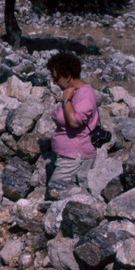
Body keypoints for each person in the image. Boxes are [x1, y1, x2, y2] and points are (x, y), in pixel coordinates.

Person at [46, 52, 99, 196]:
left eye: (56, 78)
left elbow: (75, 122)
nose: (54, 82)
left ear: (68, 76)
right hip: (67, 155)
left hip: (75, 156)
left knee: (56, 192)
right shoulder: (72, 92)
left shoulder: (85, 94)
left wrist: (66, 100)